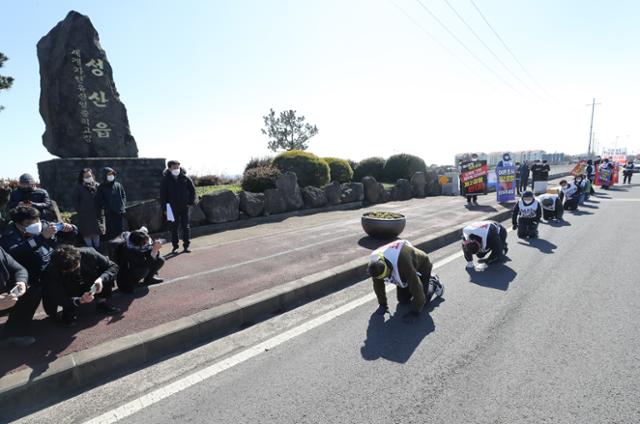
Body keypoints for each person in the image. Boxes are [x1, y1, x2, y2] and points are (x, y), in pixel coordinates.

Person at [367, 240, 444, 323]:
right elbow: (378, 285)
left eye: (387, 275)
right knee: (403, 300)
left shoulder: (403, 261)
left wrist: (415, 312)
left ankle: (433, 281)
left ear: (388, 267)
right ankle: (415, 290)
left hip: (422, 266)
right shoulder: (374, 263)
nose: (387, 278)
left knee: (423, 301)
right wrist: (382, 304)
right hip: (404, 271)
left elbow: (415, 285)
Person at [41, 245, 120, 325]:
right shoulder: (51, 271)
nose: (75, 271)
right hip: (70, 288)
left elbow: (113, 266)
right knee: (53, 293)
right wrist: (78, 300)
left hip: (90, 279)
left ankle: (101, 302)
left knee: (105, 275)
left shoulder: (89, 253)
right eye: (70, 270)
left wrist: (101, 279)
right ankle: (68, 311)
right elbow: (57, 296)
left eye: (76, 267)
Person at [0, 206, 76, 286]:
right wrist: (41, 237)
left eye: (36, 220)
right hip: (33, 276)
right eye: (29, 223)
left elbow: (69, 234)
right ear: (18, 224)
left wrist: (71, 229)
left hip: (52, 268)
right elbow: (16, 252)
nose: (35, 224)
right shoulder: (9, 237)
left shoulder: (44, 225)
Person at [0, 247, 38, 348]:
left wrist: (21, 282)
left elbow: (19, 269)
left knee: (33, 291)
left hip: (5, 297)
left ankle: (14, 334)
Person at [160, 160, 196, 254]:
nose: (177, 169)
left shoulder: (185, 178)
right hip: (171, 208)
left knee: (186, 227)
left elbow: (193, 191)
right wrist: (164, 209)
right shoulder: (165, 180)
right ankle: (175, 247)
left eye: (178, 167)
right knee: (174, 228)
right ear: (169, 168)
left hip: (184, 207)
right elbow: (163, 196)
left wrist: (190, 202)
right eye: (174, 167)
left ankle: (186, 246)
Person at [113, 227, 165, 294]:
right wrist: (154, 250)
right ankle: (133, 282)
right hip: (126, 275)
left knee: (160, 260)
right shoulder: (129, 249)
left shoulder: (139, 239)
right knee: (144, 270)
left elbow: (151, 253)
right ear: (137, 244)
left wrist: (155, 248)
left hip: (136, 265)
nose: (147, 243)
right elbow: (145, 264)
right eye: (144, 242)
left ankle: (149, 279)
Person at [72, 168, 104, 249]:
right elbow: (75, 201)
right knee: (87, 233)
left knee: (97, 232)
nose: (88, 177)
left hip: (96, 214)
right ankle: (90, 249)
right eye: (86, 176)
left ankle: (97, 248)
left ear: (92, 175)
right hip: (84, 214)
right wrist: (80, 210)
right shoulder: (78, 187)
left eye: (89, 175)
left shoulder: (97, 185)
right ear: (82, 177)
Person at [97, 167, 127, 240]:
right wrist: (108, 207)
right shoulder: (101, 187)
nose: (111, 176)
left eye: (112, 174)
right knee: (111, 233)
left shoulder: (118, 185)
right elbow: (100, 200)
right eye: (108, 174)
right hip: (109, 214)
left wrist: (122, 205)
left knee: (120, 231)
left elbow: (123, 195)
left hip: (119, 213)